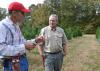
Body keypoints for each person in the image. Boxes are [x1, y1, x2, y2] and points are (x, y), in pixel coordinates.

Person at [0, 2, 43, 71]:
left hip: (22, 61)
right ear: (14, 13)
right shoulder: (2, 26)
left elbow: (23, 42)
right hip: (12, 65)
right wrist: (24, 47)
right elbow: (2, 49)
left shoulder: (16, 26)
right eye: (22, 13)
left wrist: (35, 41)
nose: (24, 15)